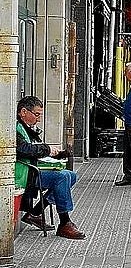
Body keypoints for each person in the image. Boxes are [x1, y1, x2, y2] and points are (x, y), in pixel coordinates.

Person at [15, 96, 85, 239]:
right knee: (62, 177)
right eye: (36, 114)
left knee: (71, 175)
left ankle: (35, 212)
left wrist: (57, 154)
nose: (39, 119)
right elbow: (23, 148)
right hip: (25, 172)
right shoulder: (16, 128)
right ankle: (64, 222)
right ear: (23, 112)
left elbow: (35, 149)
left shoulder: (29, 129)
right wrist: (46, 149)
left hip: (34, 168)